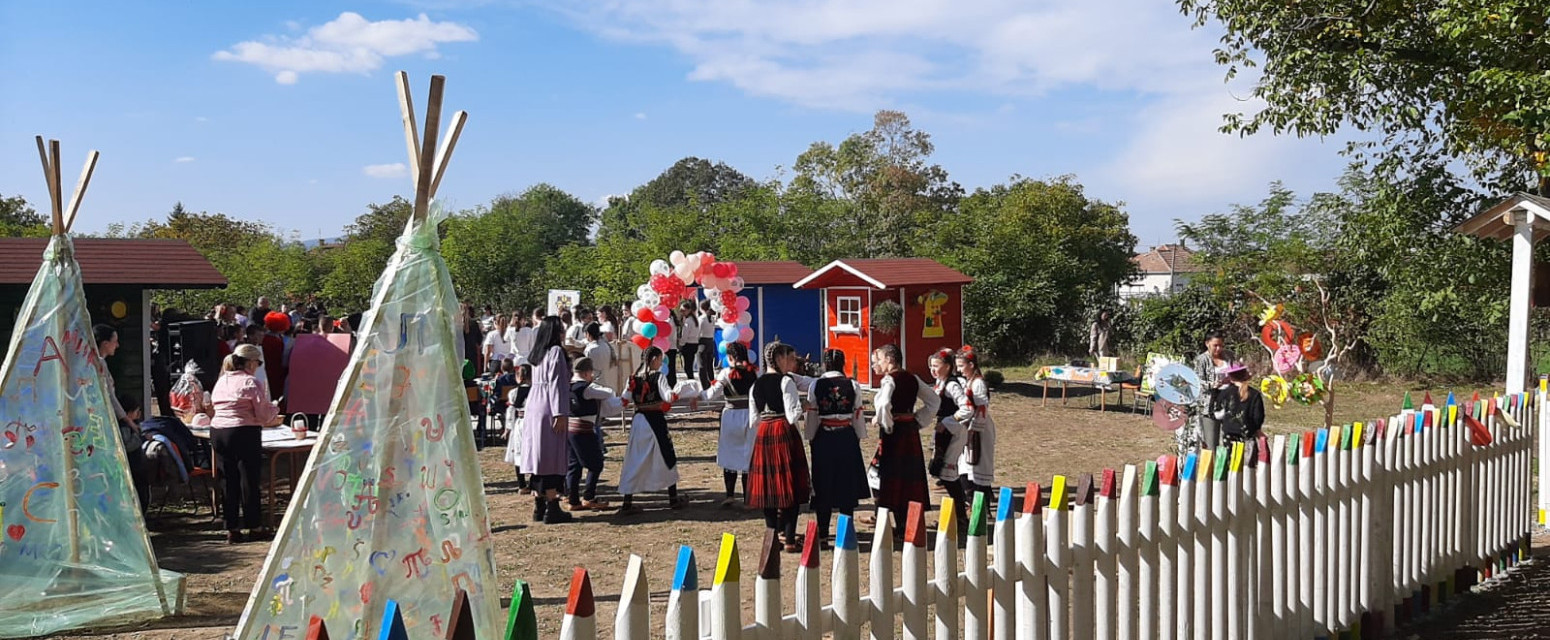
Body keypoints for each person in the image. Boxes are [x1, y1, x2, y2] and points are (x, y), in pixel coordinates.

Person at [211, 343, 280, 543]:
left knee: (228, 479)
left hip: (219, 432)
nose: (257, 366)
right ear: (250, 362)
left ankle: (231, 526)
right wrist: (274, 409)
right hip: (243, 431)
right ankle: (254, 525)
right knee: (248, 479)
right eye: (257, 363)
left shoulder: (221, 381)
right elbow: (264, 414)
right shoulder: (251, 382)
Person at [868, 344, 939, 536]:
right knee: (906, 478)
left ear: (890, 360)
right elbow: (934, 401)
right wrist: (918, 419)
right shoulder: (913, 378)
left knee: (882, 475)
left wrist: (885, 422)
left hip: (894, 435)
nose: (878, 363)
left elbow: (883, 405)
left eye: (880, 359)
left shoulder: (889, 380)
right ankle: (902, 524)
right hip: (909, 431)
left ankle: (893, 522)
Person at [749, 341, 812, 552]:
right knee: (789, 485)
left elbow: (753, 419)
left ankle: (772, 536)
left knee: (769, 487)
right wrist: (805, 406)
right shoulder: (786, 382)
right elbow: (793, 415)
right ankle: (791, 538)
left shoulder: (755, 384)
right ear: (779, 358)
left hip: (764, 432)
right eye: (791, 358)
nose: (793, 363)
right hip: (783, 432)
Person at [806, 349, 868, 548]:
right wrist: (858, 436)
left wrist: (811, 436)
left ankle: (823, 534)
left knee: (823, 483)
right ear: (843, 363)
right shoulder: (853, 385)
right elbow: (857, 414)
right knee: (846, 483)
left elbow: (812, 414)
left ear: (825, 364)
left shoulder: (816, 385)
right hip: (846, 436)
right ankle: (846, 531)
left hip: (824, 436)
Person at [618, 346, 687, 514]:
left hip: (639, 421)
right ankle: (673, 498)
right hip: (655, 422)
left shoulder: (633, 378)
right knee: (665, 455)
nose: (660, 363)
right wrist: (682, 389)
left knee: (634, 460)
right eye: (660, 359)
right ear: (655, 359)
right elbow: (668, 396)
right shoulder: (659, 377)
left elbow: (625, 399)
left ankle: (627, 501)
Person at [518, 316, 574, 524]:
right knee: (550, 457)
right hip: (549, 405)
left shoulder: (537, 354)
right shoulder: (555, 352)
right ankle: (552, 506)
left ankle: (538, 505)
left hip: (534, 404)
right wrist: (559, 412)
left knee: (537, 457)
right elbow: (557, 384)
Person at [566, 357, 625, 511]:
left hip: (570, 429)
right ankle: (589, 496)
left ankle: (573, 499)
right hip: (583, 429)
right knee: (596, 463)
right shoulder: (586, 388)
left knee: (574, 465)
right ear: (587, 373)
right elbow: (608, 392)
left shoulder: (568, 385)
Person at [704, 341, 759, 507]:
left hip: (730, 417)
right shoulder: (755, 373)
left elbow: (711, 395)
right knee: (748, 455)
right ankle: (748, 497)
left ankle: (730, 495)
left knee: (730, 454)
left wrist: (696, 393)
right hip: (750, 416)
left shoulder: (725, 373)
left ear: (730, 357)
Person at [928, 349, 973, 532]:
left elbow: (967, 408)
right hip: (944, 430)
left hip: (953, 431)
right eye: (931, 366)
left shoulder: (952, 385)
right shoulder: (942, 382)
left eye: (936, 366)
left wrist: (948, 421)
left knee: (947, 474)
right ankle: (959, 515)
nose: (933, 370)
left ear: (947, 366)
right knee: (941, 472)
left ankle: (960, 516)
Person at [956, 346, 997, 498]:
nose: (959, 370)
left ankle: (981, 502)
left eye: (961, 366)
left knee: (978, 464)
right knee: (967, 466)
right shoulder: (969, 381)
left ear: (971, 365)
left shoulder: (978, 383)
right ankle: (974, 499)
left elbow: (981, 408)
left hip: (979, 429)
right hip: (970, 428)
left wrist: (973, 429)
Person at [1185, 331, 1237, 451]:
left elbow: (1238, 372)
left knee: (1230, 440)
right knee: (1211, 443)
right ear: (1207, 344)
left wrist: (1235, 379)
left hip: (1229, 402)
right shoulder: (1201, 360)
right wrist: (1211, 385)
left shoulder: (1229, 356)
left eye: (1221, 345)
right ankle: (1212, 467)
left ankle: (1228, 466)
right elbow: (1196, 381)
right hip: (1209, 405)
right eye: (1215, 345)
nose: (1219, 349)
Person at [1208, 362, 1265, 454]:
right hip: (1247, 433)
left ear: (1230, 377)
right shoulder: (1255, 394)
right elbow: (1258, 416)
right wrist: (1256, 429)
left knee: (1232, 464)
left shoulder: (1225, 393)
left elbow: (1214, 413)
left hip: (1229, 433)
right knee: (1248, 464)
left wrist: (1214, 392)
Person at [501, 363, 534, 490]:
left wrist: (508, 428)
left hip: (520, 423)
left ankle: (522, 485)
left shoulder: (514, 392)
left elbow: (510, 411)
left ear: (518, 376)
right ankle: (532, 483)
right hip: (534, 423)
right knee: (533, 451)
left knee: (519, 452)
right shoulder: (537, 391)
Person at [677, 301, 701, 387]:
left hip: (688, 345)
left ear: (689, 310)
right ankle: (692, 381)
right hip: (694, 344)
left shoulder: (688, 321)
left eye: (683, 310)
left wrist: (680, 344)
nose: (682, 312)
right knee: (689, 364)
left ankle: (692, 382)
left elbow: (685, 335)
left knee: (688, 366)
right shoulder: (694, 320)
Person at [697, 300, 718, 387]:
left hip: (702, 343)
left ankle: (704, 385)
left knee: (702, 365)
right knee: (710, 365)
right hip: (710, 342)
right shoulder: (712, 318)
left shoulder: (701, 319)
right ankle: (712, 381)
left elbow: (698, 332)